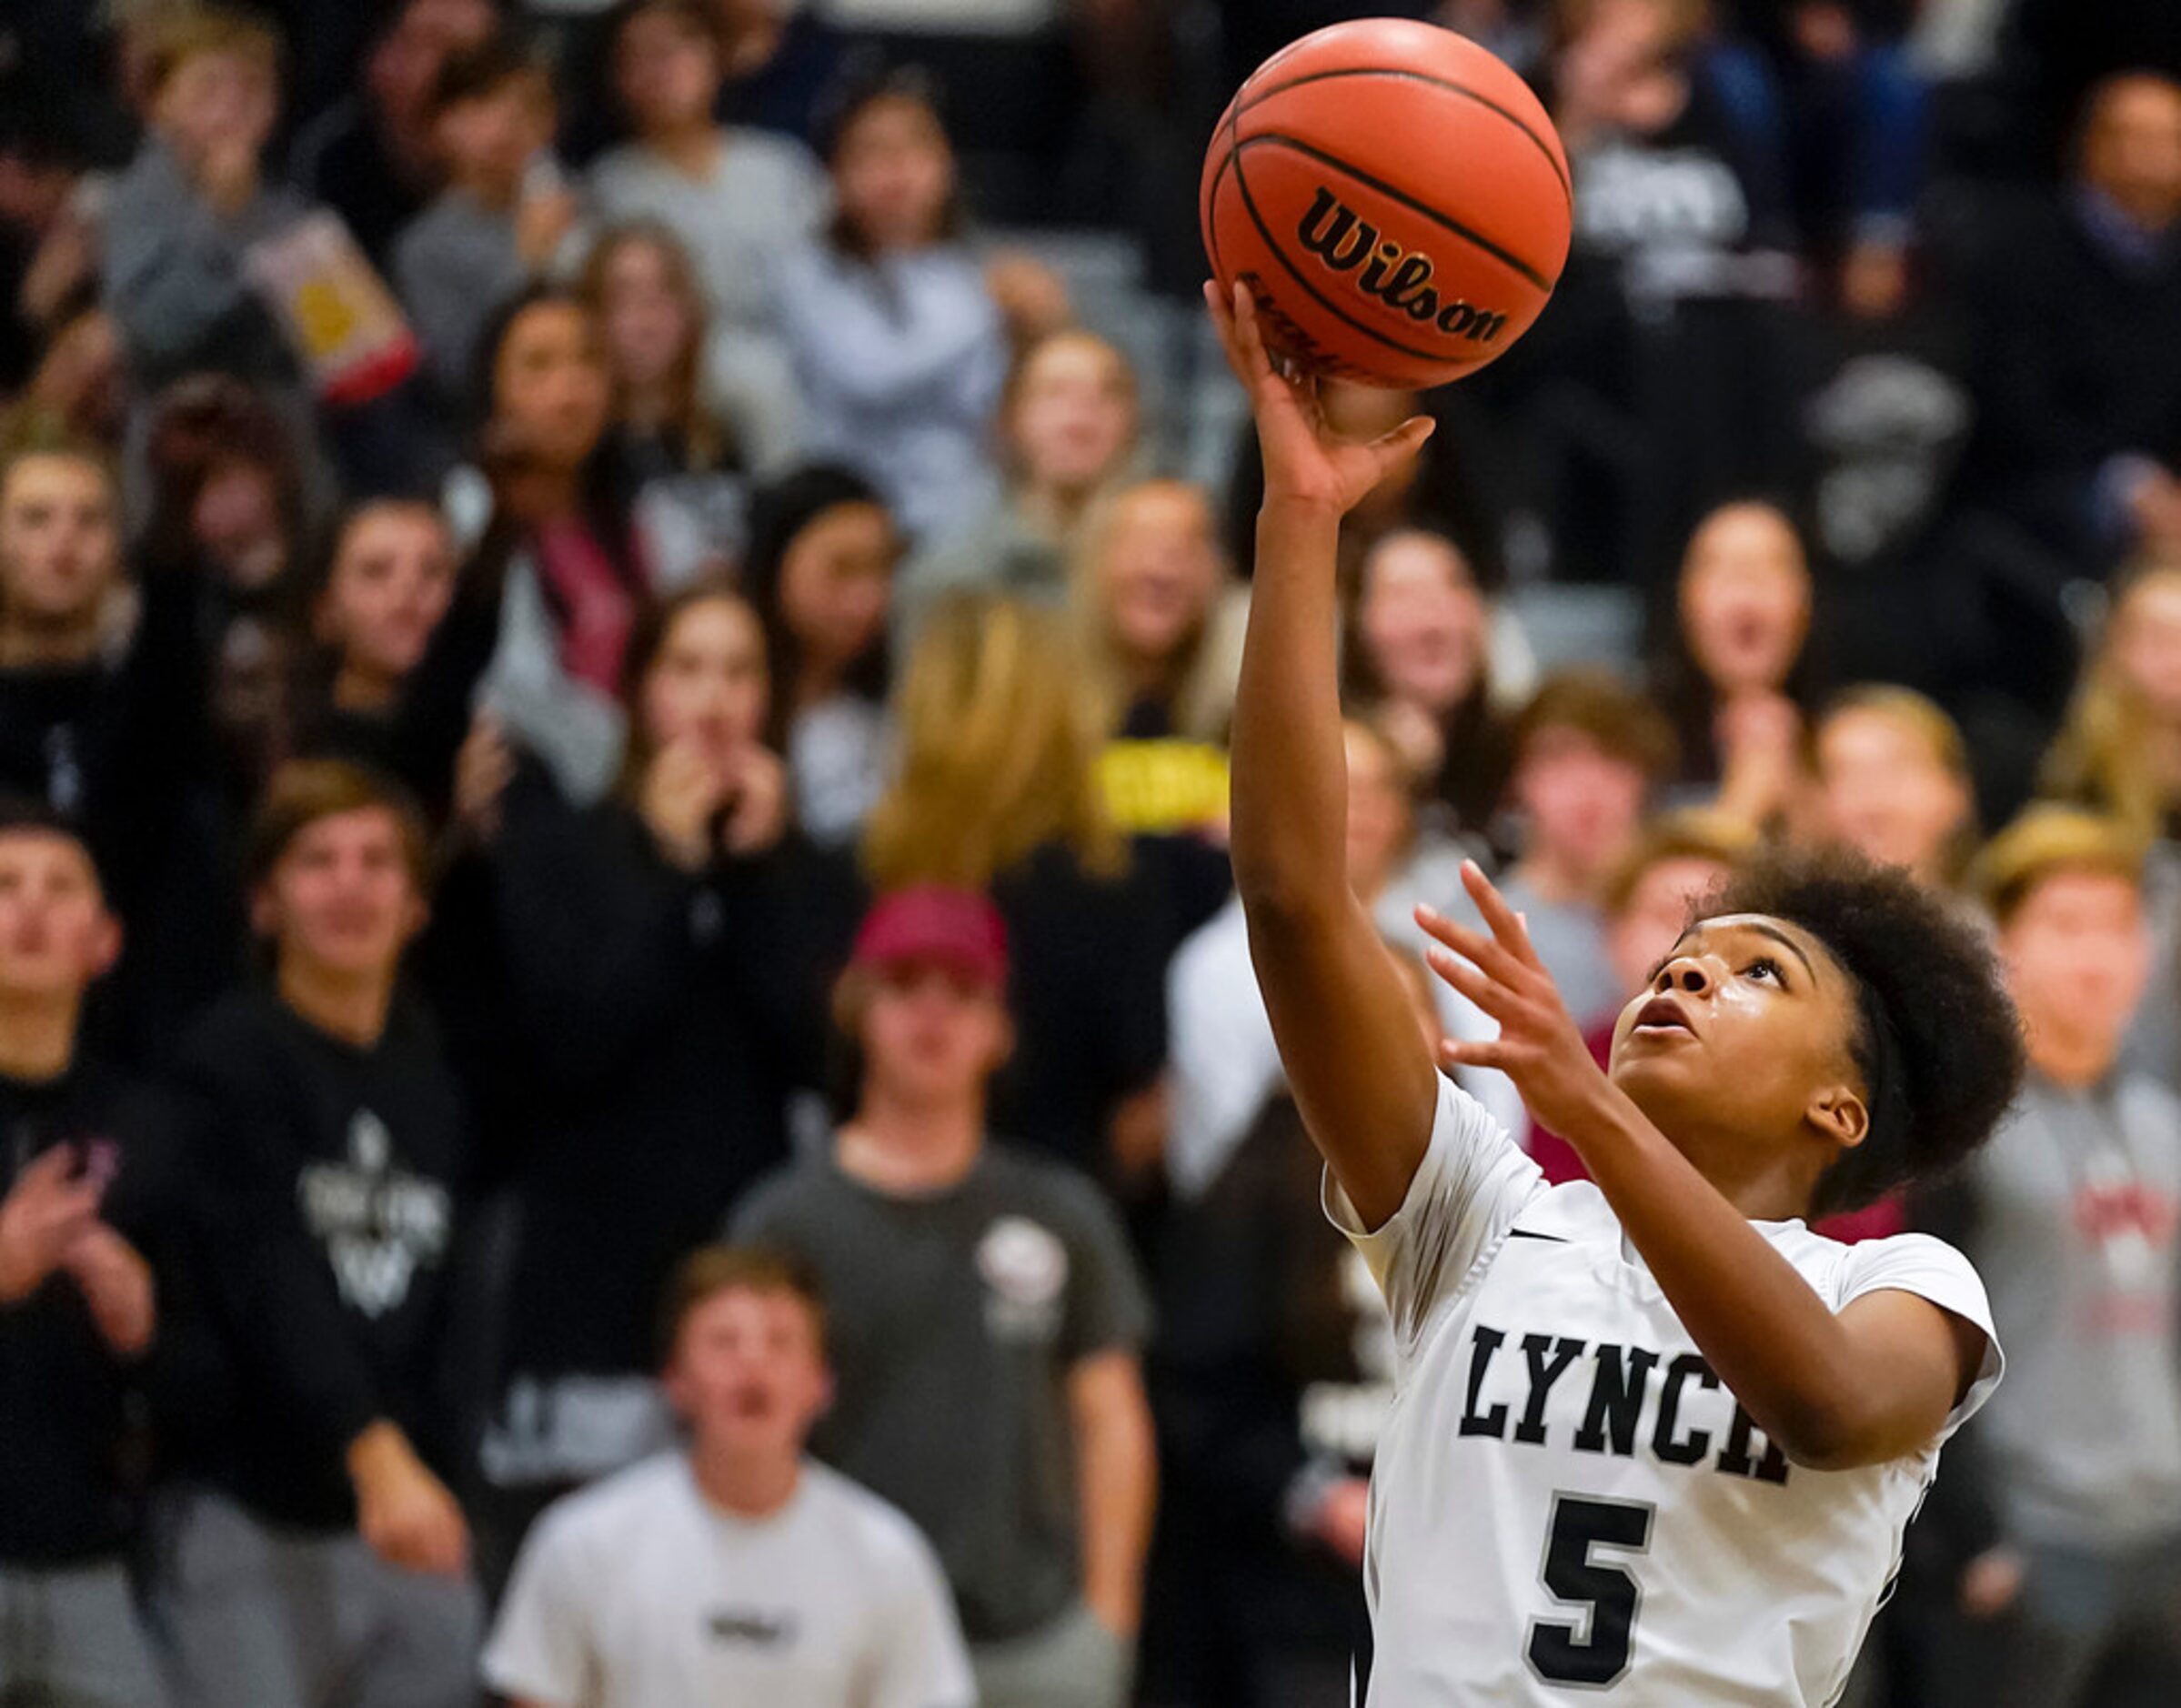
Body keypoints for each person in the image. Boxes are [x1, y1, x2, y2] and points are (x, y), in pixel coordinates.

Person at [1209, 277, 2023, 1703]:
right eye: (1681, 956)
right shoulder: (1480, 1214)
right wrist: (1301, 520)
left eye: (1756, 970)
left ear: (1841, 1102)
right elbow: (1288, 897)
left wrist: (1584, 1101)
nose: (1692, 968)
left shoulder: (1897, 1287)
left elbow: (1826, 1406)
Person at [733, 886, 1157, 1708]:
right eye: (904, 986)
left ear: (1000, 1030)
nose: (933, 1015)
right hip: (835, 1642)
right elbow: (733, 1422)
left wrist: (1108, 1617)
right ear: (857, 1009)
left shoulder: (1059, 1213)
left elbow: (1110, 1416)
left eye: (963, 993)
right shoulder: (782, 1222)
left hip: (1034, 1644)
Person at [470, 586, 819, 1569]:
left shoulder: (802, 871)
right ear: (638, 693)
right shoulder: (564, 854)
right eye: (688, 670)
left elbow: (815, 1053)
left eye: (740, 673)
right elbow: (570, 1046)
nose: (713, 702)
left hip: (744, 1298)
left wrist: (762, 876)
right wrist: (667, 868)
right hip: (591, 1298)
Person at [156, 760, 480, 1708]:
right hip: (253, 1509)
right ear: (264, 905)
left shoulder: (431, 1080)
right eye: (317, 861)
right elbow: (268, 1270)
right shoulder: (230, 1058)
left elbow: (444, 1295)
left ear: (416, 906)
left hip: (405, 1510)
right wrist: (370, 1448)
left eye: (378, 862)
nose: (350, 886)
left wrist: (427, 1463)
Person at [483, 1244, 974, 1708]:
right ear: (675, 1380)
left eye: (780, 1342)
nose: (753, 1362)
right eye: (724, 1342)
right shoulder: (582, 1540)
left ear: (820, 1384)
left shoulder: (888, 1554)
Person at [1945, 807, 2181, 1706]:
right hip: (2032, 1538)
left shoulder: (2162, 1120)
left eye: (2117, 927)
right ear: (2003, 944)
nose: (2095, 955)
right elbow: (1927, 1343)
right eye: (2064, 926)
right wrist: (1972, 1539)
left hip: (2159, 1528)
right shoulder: (1965, 1132)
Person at [862, 595, 1168, 1182]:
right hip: (1063, 1209)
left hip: (892, 1192)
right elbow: (1142, 1103)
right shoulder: (1114, 881)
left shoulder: (873, 871)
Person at [0, 806, 172, 1706]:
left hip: (87, 1560)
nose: (28, 909)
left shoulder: (147, 1126)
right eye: (4, 887)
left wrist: (146, 1327)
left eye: (58, 888)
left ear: (103, 941)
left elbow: (209, 1364)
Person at [588, 0, 827, 468]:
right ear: (618, 81)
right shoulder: (609, 186)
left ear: (715, 57)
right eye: (639, 56)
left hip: (808, 359)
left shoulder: (780, 166)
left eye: (676, 48)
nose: (661, 69)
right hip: (682, 378)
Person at [778, 70, 1012, 541]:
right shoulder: (807, 271)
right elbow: (871, 373)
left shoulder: (964, 271)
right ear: (835, 175)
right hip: (849, 521)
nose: (896, 168)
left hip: (964, 525)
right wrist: (994, 308)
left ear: (946, 163)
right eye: (871, 151)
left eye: (914, 146)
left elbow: (990, 413)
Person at [1962, 72, 2181, 568]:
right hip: (2044, 487)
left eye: (2173, 140)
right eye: (2142, 139)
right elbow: (2012, 410)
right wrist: (2126, 483)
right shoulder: (2026, 252)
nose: (2162, 159)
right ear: (2094, 146)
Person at [101, 8, 310, 398]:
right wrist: (221, 221)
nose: (230, 109)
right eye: (207, 89)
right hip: (178, 428)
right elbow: (152, 333)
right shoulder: (134, 202)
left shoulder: (288, 208)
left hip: (282, 427)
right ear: (160, 103)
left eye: (251, 87)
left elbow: (345, 341)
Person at [1468, 668, 1679, 1031]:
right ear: (1519, 780)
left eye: (1613, 759)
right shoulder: (1481, 936)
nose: (1589, 785)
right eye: (1559, 758)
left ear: (1645, 780)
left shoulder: (1678, 920)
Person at [2043, 558, 2181, 1091]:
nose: (2174, 656)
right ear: (2116, 649)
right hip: (2116, 1007)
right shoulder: (2073, 772)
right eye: (2157, 636)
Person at [395, 35, 578, 413]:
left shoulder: (582, 208)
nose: (509, 121)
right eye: (485, 102)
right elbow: (454, 375)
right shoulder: (424, 248)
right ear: (441, 124)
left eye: (530, 105)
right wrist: (526, 263)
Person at [903, 328, 1141, 615]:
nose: (1081, 413)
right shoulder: (949, 579)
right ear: (1012, 416)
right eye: (1056, 392)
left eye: (1108, 393)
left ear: (1134, 420)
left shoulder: (1160, 576)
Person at [580, 222, 748, 583]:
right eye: (622, 298)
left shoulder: (720, 437)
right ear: (590, 315)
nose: (646, 317)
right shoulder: (583, 453)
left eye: (664, 294)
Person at [743, 465, 899, 849]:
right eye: (841, 569)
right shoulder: (737, 705)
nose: (869, 599)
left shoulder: (900, 700)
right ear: (776, 564)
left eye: (882, 569)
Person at [288, 0, 502, 268]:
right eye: (420, 44)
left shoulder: (536, 176)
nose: (443, 74)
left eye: (466, 59)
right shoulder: (332, 157)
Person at [1343, 528, 1521, 844]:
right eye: (1403, 596)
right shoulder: (1317, 758)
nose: (1433, 625)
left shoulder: (1522, 754)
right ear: (1357, 627)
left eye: (1453, 590)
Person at [1655, 498, 1818, 825]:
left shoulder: (1852, 740)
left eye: (1769, 570)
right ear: (1685, 604)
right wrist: (1745, 801)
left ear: (1806, 604)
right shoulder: (1636, 745)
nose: (1746, 595)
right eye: (1724, 573)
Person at [1814, 685, 1978, 891]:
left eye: (1897, 769)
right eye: (1842, 774)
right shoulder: (1778, 919)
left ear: (1957, 791)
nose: (1871, 804)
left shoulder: (2012, 918)